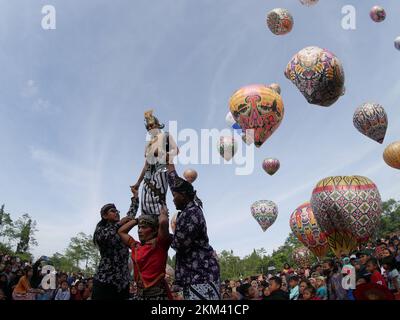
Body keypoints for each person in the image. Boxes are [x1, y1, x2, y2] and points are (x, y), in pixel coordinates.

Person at [166, 155, 220, 300]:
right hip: (193, 275)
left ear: (183, 196)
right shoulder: (188, 209)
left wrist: (162, 228)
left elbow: (179, 243)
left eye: (175, 196)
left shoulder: (192, 214)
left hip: (202, 275)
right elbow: (175, 184)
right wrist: (169, 163)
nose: (173, 199)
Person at [118, 188, 172, 300]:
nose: (139, 230)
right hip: (140, 296)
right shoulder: (135, 246)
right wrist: (138, 220)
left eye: (144, 227)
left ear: (153, 230)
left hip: (157, 296)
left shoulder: (160, 244)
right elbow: (121, 231)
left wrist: (163, 212)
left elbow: (163, 222)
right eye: (139, 228)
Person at [132, 110, 178, 215]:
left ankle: (161, 225)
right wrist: (138, 183)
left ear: (157, 125)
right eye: (148, 127)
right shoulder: (149, 144)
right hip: (148, 177)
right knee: (145, 203)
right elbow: (146, 164)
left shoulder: (166, 135)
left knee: (159, 200)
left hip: (162, 170)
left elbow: (176, 151)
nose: (150, 128)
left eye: (151, 125)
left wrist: (162, 154)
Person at [92, 199, 135, 300]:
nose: (116, 213)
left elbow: (130, 216)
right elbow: (105, 236)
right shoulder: (101, 230)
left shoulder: (121, 229)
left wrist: (135, 197)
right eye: (113, 211)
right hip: (105, 282)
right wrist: (120, 223)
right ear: (104, 216)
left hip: (122, 284)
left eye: (117, 211)